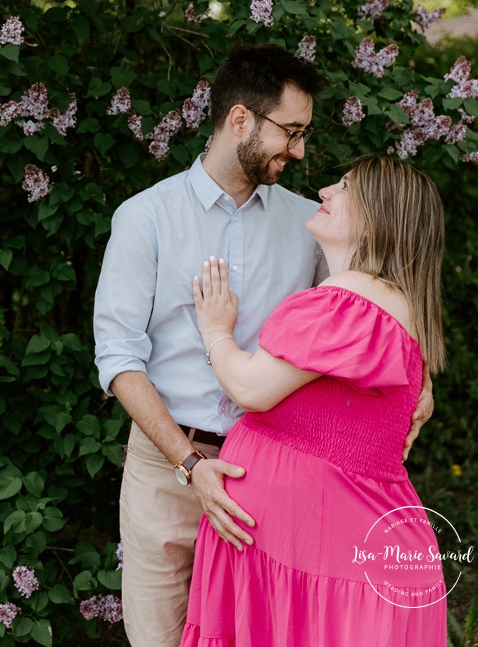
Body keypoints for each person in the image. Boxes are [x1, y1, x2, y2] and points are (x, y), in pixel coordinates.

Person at [93, 45, 433, 647]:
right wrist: (190, 465)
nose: (299, 151)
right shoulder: (144, 219)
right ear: (241, 120)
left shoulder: (311, 224)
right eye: (292, 132)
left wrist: (420, 384)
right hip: (171, 467)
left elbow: (372, 314)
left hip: (275, 491)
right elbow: (119, 361)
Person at [182, 155, 447, 647]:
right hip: (317, 562)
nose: (325, 191)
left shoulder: (347, 298)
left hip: (321, 571)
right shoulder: (395, 303)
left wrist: (216, 331)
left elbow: (250, 389)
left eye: (344, 187)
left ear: (378, 216)